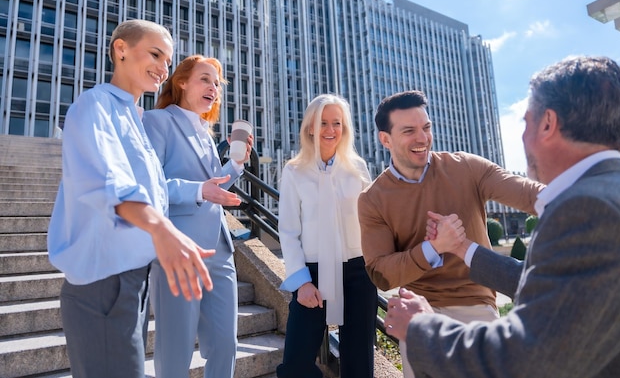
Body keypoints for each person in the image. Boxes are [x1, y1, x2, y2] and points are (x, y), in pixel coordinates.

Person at [384, 55, 620, 378]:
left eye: (526, 122)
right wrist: (462, 248)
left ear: (548, 124)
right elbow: (553, 284)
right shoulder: (612, 191)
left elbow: (524, 358)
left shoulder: (583, 208)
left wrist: (421, 328)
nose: (523, 137)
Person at [47, 19, 214, 378]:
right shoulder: (95, 105)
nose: (163, 68)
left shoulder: (135, 118)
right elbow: (108, 184)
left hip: (133, 282)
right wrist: (163, 231)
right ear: (120, 49)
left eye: (167, 62)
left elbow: (155, 192)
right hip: (104, 283)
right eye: (155, 54)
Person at [357, 89, 544, 376]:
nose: (422, 138)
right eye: (409, 131)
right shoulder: (372, 199)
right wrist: (434, 247)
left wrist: (585, 197)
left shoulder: (466, 167)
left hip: (476, 305)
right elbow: (381, 273)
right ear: (386, 139)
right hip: (418, 310)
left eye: (426, 127)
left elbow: (529, 193)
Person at [142, 55, 253, 378]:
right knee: (175, 347)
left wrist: (235, 166)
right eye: (205, 79)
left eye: (217, 83)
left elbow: (210, 187)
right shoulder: (157, 121)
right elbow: (152, 186)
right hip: (178, 248)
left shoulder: (205, 132)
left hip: (219, 251)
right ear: (182, 82)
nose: (213, 88)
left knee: (225, 344)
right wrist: (199, 190)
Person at [276, 94, 378, 378]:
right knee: (295, 364)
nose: (331, 130)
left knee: (359, 362)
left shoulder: (357, 169)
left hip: (358, 272)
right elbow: (288, 231)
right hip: (312, 274)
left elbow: (372, 221)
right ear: (310, 127)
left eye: (337, 123)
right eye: (323, 122)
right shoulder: (294, 171)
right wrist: (301, 282)